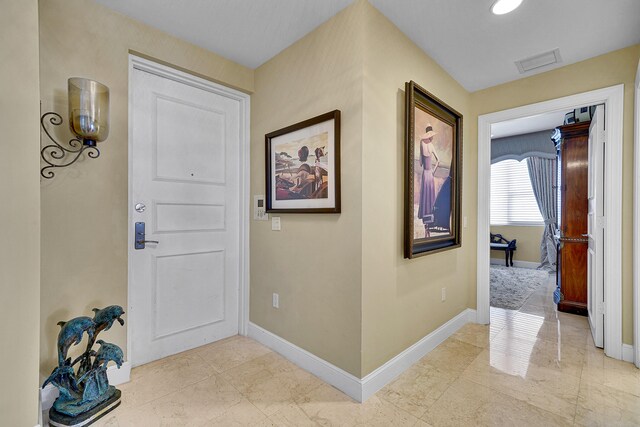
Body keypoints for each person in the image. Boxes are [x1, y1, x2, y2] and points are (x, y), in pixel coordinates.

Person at [417, 125, 440, 237]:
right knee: (430, 198)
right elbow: (438, 161)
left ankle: (426, 226)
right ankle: (429, 225)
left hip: (425, 174)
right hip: (430, 174)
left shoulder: (422, 144)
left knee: (425, 197)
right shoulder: (431, 146)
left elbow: (420, 163)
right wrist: (433, 171)